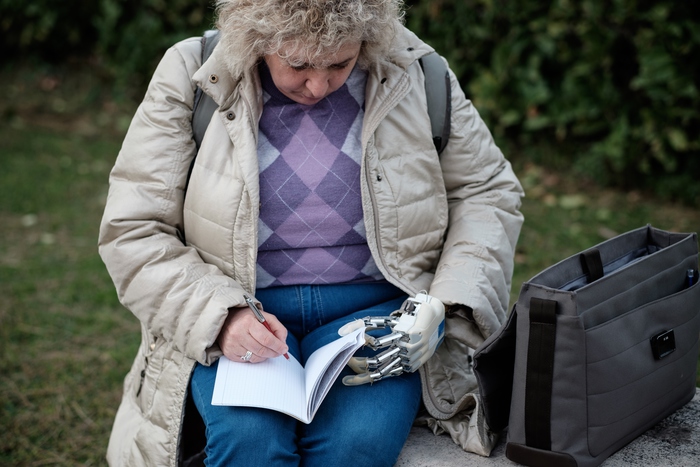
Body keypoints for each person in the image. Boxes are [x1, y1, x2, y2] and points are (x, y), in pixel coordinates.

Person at [98, 0, 524, 465]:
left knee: (355, 446)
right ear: (256, 41)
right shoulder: (193, 71)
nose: (318, 85)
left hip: (374, 313)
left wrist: (442, 302)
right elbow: (134, 227)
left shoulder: (416, 69)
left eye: (341, 63)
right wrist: (219, 318)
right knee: (250, 445)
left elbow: (487, 192)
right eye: (298, 64)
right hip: (242, 308)